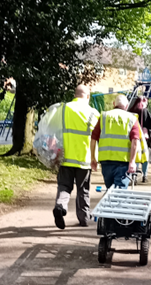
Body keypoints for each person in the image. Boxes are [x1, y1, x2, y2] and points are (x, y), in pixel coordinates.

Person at [53, 84, 99, 230]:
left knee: (64, 186)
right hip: (83, 159)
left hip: (65, 158)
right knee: (83, 189)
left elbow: (54, 129)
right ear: (87, 96)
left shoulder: (63, 109)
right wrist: (95, 158)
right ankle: (84, 217)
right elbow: (97, 137)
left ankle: (60, 205)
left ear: (75, 95)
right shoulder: (93, 112)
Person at [90, 95, 146, 188]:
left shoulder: (104, 116)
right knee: (119, 194)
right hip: (123, 163)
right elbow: (135, 140)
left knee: (110, 191)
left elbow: (93, 138)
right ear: (127, 106)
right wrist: (132, 162)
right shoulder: (131, 118)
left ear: (113, 104)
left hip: (106, 162)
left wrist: (93, 158)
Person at [129, 96, 151, 183]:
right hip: (143, 137)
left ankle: (134, 176)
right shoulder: (144, 111)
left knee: (135, 156)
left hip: (132, 136)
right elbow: (150, 124)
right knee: (145, 155)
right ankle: (144, 175)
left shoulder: (130, 111)